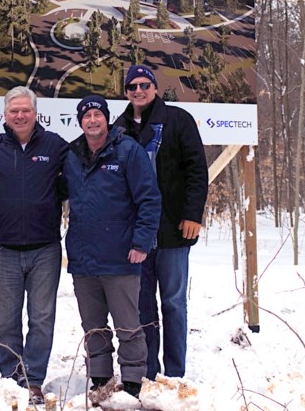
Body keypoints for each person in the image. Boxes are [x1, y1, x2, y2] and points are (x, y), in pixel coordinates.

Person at [0, 87, 68, 406]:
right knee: (6, 321)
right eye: (13, 111)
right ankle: (12, 381)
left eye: (26, 110)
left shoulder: (57, 146)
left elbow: (86, 167)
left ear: (36, 113)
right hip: (5, 249)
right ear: (4, 115)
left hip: (45, 249)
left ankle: (33, 380)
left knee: (41, 319)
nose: (20, 115)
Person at [112, 64, 208, 379]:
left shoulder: (178, 120)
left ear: (154, 87)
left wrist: (193, 214)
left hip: (173, 231)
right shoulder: (120, 128)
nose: (138, 91)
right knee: (142, 307)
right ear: (126, 92)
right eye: (132, 87)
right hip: (136, 235)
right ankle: (148, 373)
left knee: (173, 303)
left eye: (144, 85)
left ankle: (175, 373)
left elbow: (197, 170)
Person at [63, 94, 161, 399]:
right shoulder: (72, 155)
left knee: (128, 324)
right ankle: (100, 379)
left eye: (98, 115)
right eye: (86, 116)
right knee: (93, 325)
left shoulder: (128, 151)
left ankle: (132, 381)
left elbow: (149, 199)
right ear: (80, 122)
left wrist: (142, 242)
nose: (92, 120)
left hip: (121, 256)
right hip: (83, 258)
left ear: (107, 118)